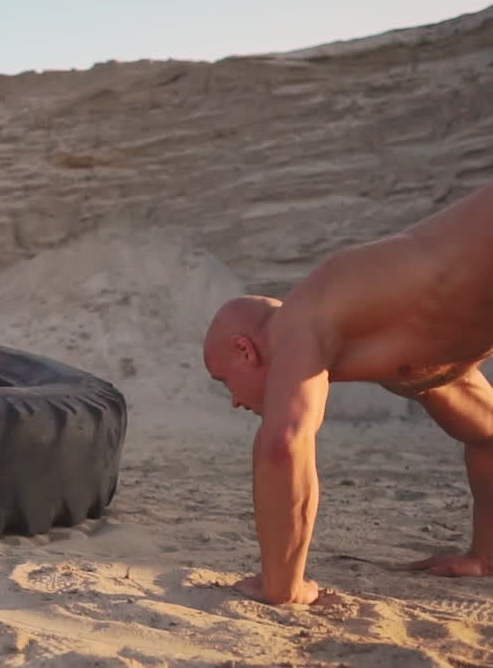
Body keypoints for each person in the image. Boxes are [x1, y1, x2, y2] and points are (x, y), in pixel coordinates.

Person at [202, 184, 493, 605]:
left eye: (224, 381)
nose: (233, 401)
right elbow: (486, 434)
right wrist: (484, 557)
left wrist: (282, 586)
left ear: (245, 350)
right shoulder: (402, 350)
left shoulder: (302, 317)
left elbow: (284, 444)